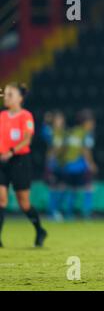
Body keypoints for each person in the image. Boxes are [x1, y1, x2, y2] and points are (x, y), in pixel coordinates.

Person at [0, 83, 47, 247]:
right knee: (1, 199)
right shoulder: (2, 116)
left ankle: (40, 230)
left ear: (20, 98)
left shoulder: (25, 115)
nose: (6, 97)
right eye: (5, 94)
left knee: (24, 203)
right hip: (2, 161)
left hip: (20, 160)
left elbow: (27, 139)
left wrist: (11, 152)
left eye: (10, 94)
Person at [61, 109, 97, 219]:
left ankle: (68, 213)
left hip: (68, 165)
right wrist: (91, 164)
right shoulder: (87, 134)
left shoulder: (73, 131)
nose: (93, 124)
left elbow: (64, 148)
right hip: (80, 165)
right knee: (89, 188)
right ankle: (87, 213)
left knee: (72, 189)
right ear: (86, 122)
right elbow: (85, 150)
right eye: (92, 122)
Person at [43, 111, 66, 221]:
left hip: (62, 163)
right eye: (58, 119)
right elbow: (43, 133)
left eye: (61, 119)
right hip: (52, 163)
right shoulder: (50, 132)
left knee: (62, 187)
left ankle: (57, 210)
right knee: (53, 186)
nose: (60, 122)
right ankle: (52, 212)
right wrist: (45, 121)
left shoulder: (63, 133)